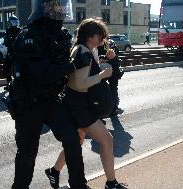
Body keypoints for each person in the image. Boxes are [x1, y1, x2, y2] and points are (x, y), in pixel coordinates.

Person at [11, 0, 90, 189]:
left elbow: (61, 65)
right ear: (43, 7)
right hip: (29, 102)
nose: (61, 9)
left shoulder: (60, 34)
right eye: (56, 5)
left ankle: (79, 184)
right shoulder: (29, 36)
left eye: (63, 5)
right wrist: (73, 65)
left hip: (51, 99)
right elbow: (43, 74)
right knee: (27, 152)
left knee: (72, 137)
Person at [45, 18, 127, 189]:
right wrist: (102, 75)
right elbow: (79, 83)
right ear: (91, 36)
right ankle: (111, 183)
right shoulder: (83, 51)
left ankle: (54, 170)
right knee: (107, 140)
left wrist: (103, 61)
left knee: (77, 141)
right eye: (100, 36)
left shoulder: (84, 49)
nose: (102, 40)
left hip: (76, 103)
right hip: (79, 106)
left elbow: (85, 71)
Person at [98, 38, 124, 116]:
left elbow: (102, 57)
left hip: (105, 69)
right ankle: (113, 109)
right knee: (113, 89)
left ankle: (106, 108)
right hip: (114, 69)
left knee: (104, 88)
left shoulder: (99, 43)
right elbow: (117, 54)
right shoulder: (110, 42)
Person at [3, 15, 21, 89]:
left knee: (18, 68)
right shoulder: (8, 31)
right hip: (10, 53)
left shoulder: (20, 30)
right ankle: (9, 83)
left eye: (16, 22)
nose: (15, 23)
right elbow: (6, 42)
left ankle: (18, 83)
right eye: (13, 22)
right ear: (10, 23)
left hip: (19, 53)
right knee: (6, 67)